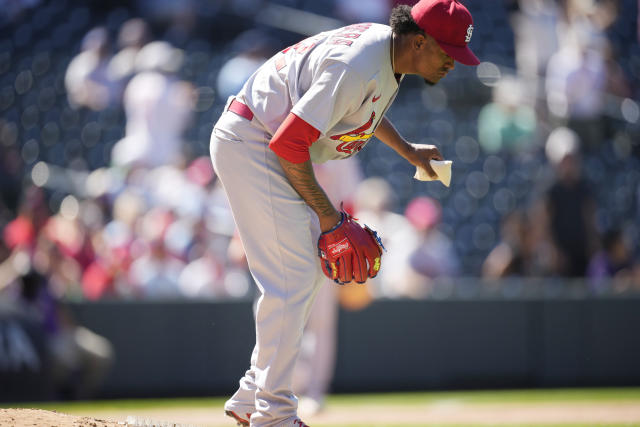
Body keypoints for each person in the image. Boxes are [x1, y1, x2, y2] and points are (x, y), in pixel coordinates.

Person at [209, 1, 479, 425]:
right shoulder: (360, 63)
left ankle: (253, 396)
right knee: (294, 275)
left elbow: (360, 111)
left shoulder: (388, 56)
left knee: (298, 275)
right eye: (447, 52)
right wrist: (329, 217)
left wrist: (407, 150)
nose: (452, 63)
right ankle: (273, 414)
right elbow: (289, 143)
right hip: (254, 140)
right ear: (420, 41)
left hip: (258, 137)